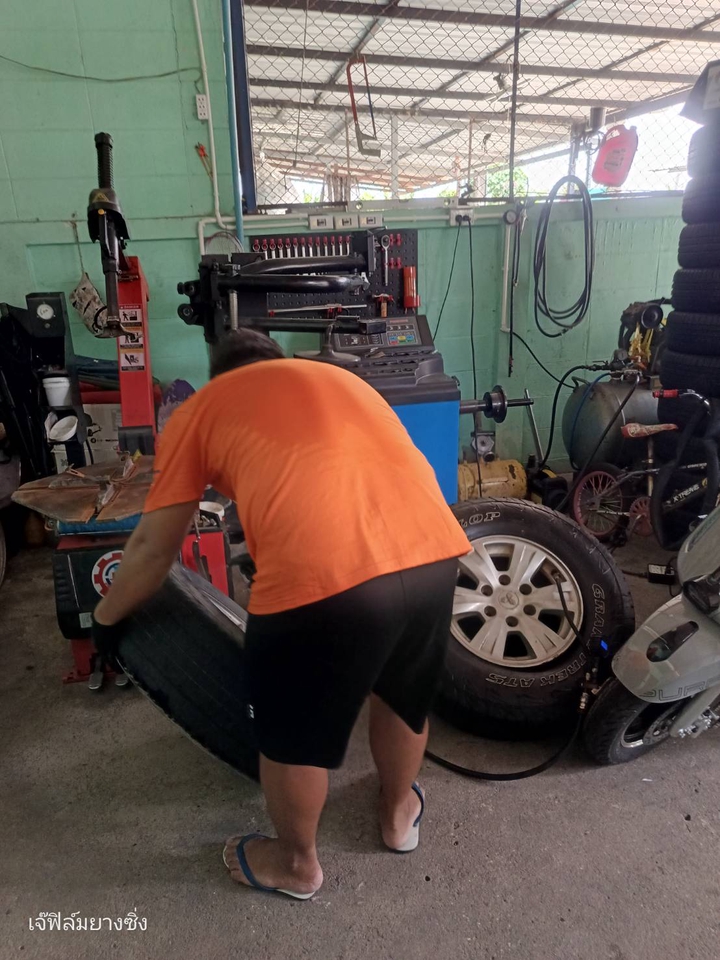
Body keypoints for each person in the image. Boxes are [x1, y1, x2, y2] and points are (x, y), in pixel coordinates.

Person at [92, 329, 470, 900]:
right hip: (433, 554)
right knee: (401, 696)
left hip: (319, 580)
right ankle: (398, 816)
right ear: (280, 360)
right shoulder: (343, 380)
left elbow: (151, 550)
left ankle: (296, 864)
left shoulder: (202, 409)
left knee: (292, 735)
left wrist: (105, 618)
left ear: (221, 376)